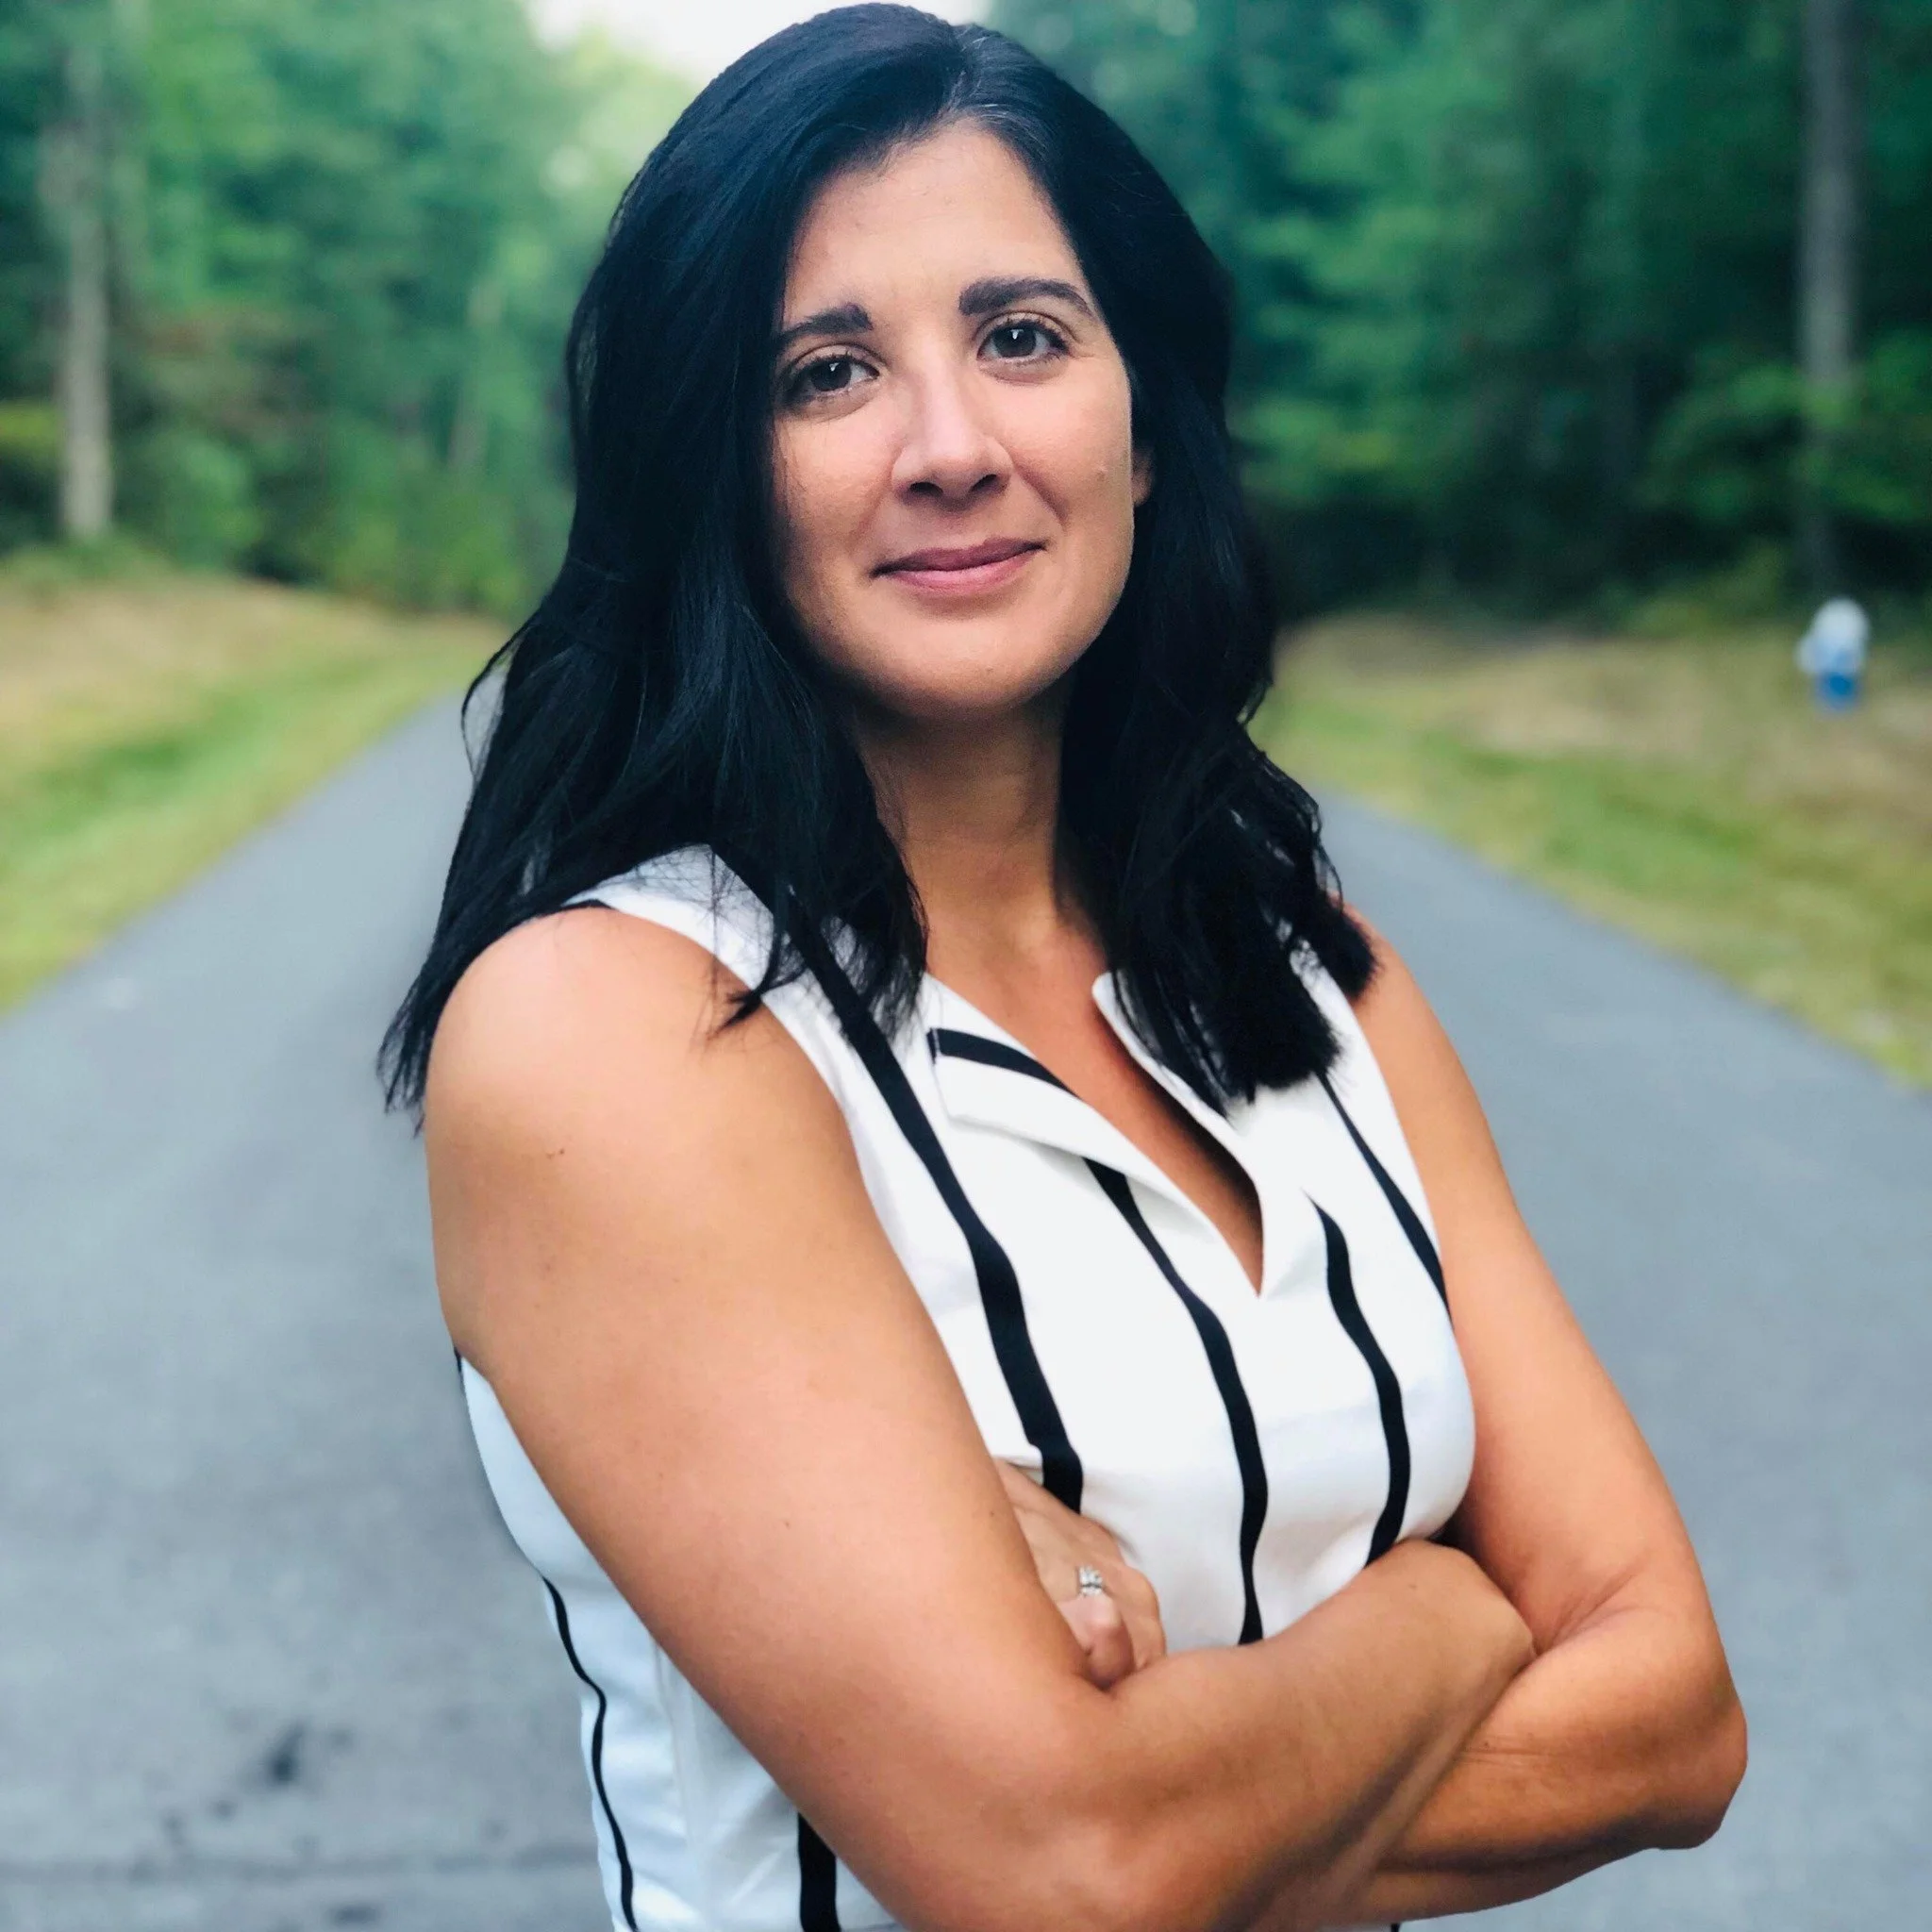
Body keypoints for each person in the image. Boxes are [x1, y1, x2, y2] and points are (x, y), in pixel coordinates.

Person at [384, 9, 1745, 1928]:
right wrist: (1450, 1610)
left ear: (1143, 427)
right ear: (716, 471)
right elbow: (1068, 1870)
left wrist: (1161, 1796)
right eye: (829, 371)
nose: (951, 448)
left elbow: (1672, 1711)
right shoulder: (618, 1027)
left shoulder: (1315, 983)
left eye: (1022, 337)